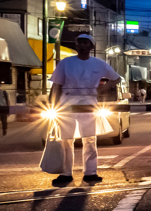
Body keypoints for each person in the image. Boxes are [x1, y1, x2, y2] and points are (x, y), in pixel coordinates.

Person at [47, 33, 120, 186]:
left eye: (85, 42)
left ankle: (90, 173)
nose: (82, 45)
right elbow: (56, 85)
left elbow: (116, 78)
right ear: (76, 45)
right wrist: (52, 105)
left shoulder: (99, 63)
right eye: (79, 42)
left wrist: (102, 89)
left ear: (91, 46)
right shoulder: (66, 63)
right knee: (66, 139)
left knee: (90, 139)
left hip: (89, 103)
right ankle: (65, 173)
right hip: (67, 102)